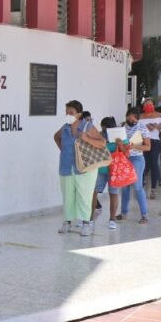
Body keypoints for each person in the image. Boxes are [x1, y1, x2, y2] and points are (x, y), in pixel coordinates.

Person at [54, 100, 105, 236]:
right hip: (66, 167)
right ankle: (67, 222)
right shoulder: (65, 127)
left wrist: (87, 138)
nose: (68, 115)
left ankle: (86, 224)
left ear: (79, 114)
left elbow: (102, 143)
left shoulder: (87, 126)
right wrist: (64, 151)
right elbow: (56, 137)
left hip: (85, 168)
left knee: (85, 196)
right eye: (66, 112)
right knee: (67, 196)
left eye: (71, 113)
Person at [120, 107, 151, 224]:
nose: (131, 121)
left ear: (137, 119)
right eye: (129, 119)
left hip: (137, 158)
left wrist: (134, 146)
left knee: (137, 186)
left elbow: (148, 147)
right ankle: (123, 213)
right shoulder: (121, 127)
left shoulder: (142, 128)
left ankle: (144, 215)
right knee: (125, 187)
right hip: (124, 158)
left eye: (133, 120)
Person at [94, 117, 123, 230]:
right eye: (103, 128)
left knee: (113, 194)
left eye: (106, 128)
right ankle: (89, 219)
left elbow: (126, 151)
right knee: (94, 193)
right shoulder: (99, 135)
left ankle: (112, 219)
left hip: (114, 170)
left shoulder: (119, 136)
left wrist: (119, 144)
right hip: (101, 169)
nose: (104, 130)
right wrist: (101, 142)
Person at [138, 100, 161, 201]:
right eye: (146, 104)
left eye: (150, 104)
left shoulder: (159, 115)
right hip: (142, 142)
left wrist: (155, 126)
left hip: (154, 141)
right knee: (143, 164)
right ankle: (140, 186)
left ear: (154, 105)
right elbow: (136, 129)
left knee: (154, 164)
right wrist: (145, 129)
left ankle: (153, 188)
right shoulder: (140, 116)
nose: (148, 106)